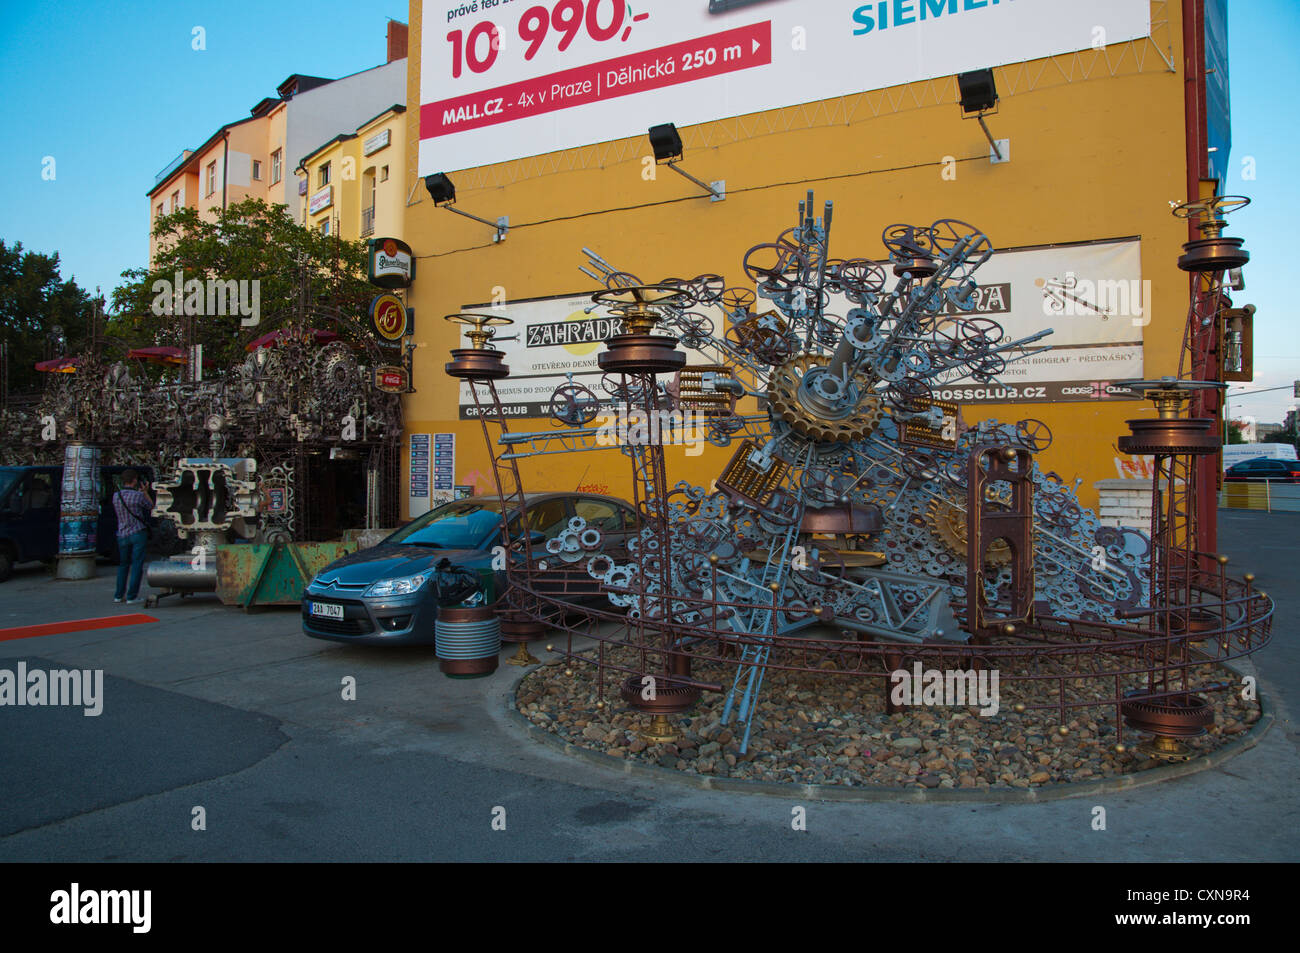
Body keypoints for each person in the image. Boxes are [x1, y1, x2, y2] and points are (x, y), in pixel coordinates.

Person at [111, 469, 153, 604]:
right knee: (136, 564)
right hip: (137, 532)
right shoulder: (138, 496)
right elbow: (151, 506)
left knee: (123, 565)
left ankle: (118, 595)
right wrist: (145, 492)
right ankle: (131, 596)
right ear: (135, 480)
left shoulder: (116, 496)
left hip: (122, 534)